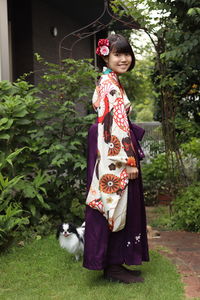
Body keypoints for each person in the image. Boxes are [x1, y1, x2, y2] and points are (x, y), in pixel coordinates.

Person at [83, 34, 149, 283]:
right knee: (115, 205)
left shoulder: (110, 81)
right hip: (114, 154)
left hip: (108, 148)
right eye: (117, 55)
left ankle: (114, 262)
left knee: (112, 205)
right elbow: (117, 125)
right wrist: (129, 161)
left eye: (126, 54)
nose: (123, 59)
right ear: (106, 57)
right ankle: (113, 266)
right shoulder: (110, 84)